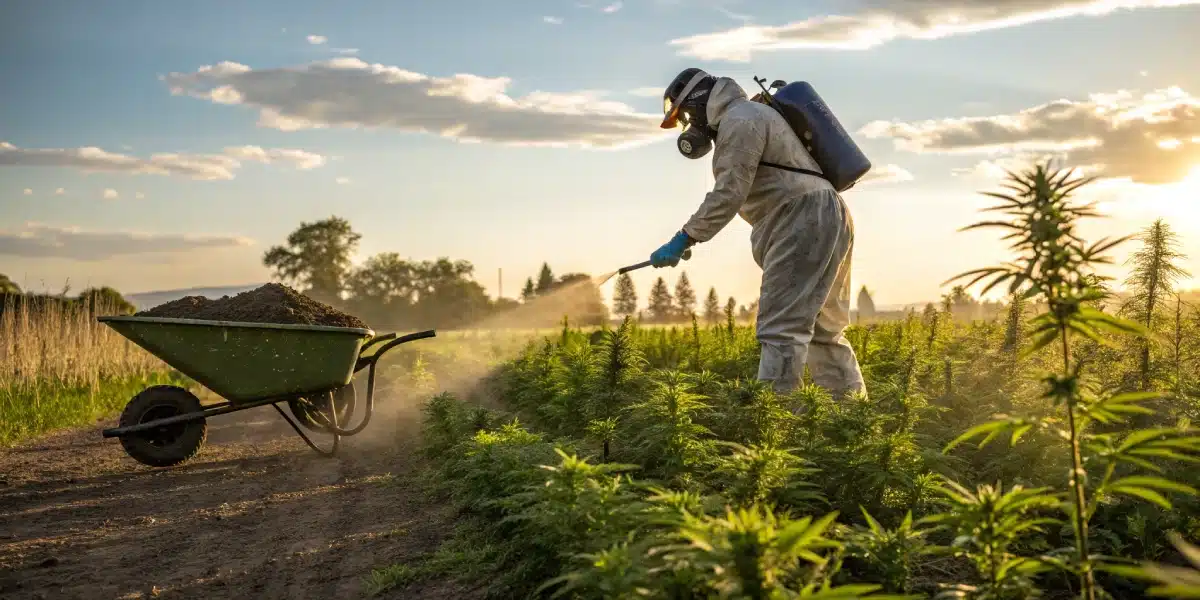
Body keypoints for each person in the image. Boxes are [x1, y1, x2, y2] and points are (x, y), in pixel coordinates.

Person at [649, 67, 867, 399]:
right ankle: (852, 424)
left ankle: (774, 426)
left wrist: (685, 236)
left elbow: (729, 192)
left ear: (696, 104)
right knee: (825, 331)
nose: (688, 128)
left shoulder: (740, 119)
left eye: (684, 119)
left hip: (800, 218)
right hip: (828, 213)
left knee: (780, 331)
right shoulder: (753, 114)